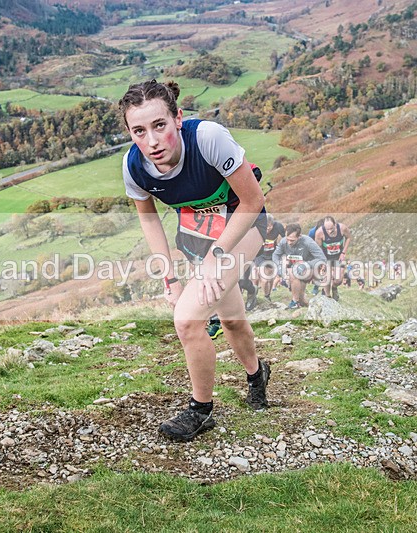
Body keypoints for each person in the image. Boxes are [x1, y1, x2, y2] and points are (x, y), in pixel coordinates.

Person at [120, 79, 271, 442]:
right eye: (139, 131)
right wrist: (169, 277)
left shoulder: (208, 138)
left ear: (178, 118)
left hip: (243, 225)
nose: (152, 141)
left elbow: (253, 202)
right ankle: (257, 375)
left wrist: (217, 257)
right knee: (231, 318)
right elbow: (148, 217)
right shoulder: (134, 167)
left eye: (160, 126)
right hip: (198, 239)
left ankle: (200, 411)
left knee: (188, 320)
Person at [272, 223, 327, 309]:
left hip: (310, 269)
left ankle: (294, 302)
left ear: (299, 236)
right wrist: (279, 266)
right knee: (302, 301)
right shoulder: (283, 242)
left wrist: (306, 264)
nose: (289, 242)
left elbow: (322, 259)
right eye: (288, 239)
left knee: (294, 272)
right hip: (295, 270)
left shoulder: (308, 242)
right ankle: (302, 302)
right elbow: (275, 255)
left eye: (292, 240)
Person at [313, 216, 351, 301]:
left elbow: (348, 238)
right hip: (326, 257)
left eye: (331, 228)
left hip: (338, 257)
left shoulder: (342, 228)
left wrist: (343, 252)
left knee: (338, 280)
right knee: (327, 278)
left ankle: (334, 288)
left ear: (335, 224)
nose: (330, 231)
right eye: (327, 229)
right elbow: (317, 249)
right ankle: (327, 297)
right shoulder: (319, 233)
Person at [251, 214, 285, 304]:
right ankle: (256, 295)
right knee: (265, 279)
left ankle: (267, 296)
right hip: (260, 255)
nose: (267, 229)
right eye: (265, 227)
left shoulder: (278, 226)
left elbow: (285, 239)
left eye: (269, 227)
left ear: (272, 224)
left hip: (272, 254)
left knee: (269, 278)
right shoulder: (257, 226)